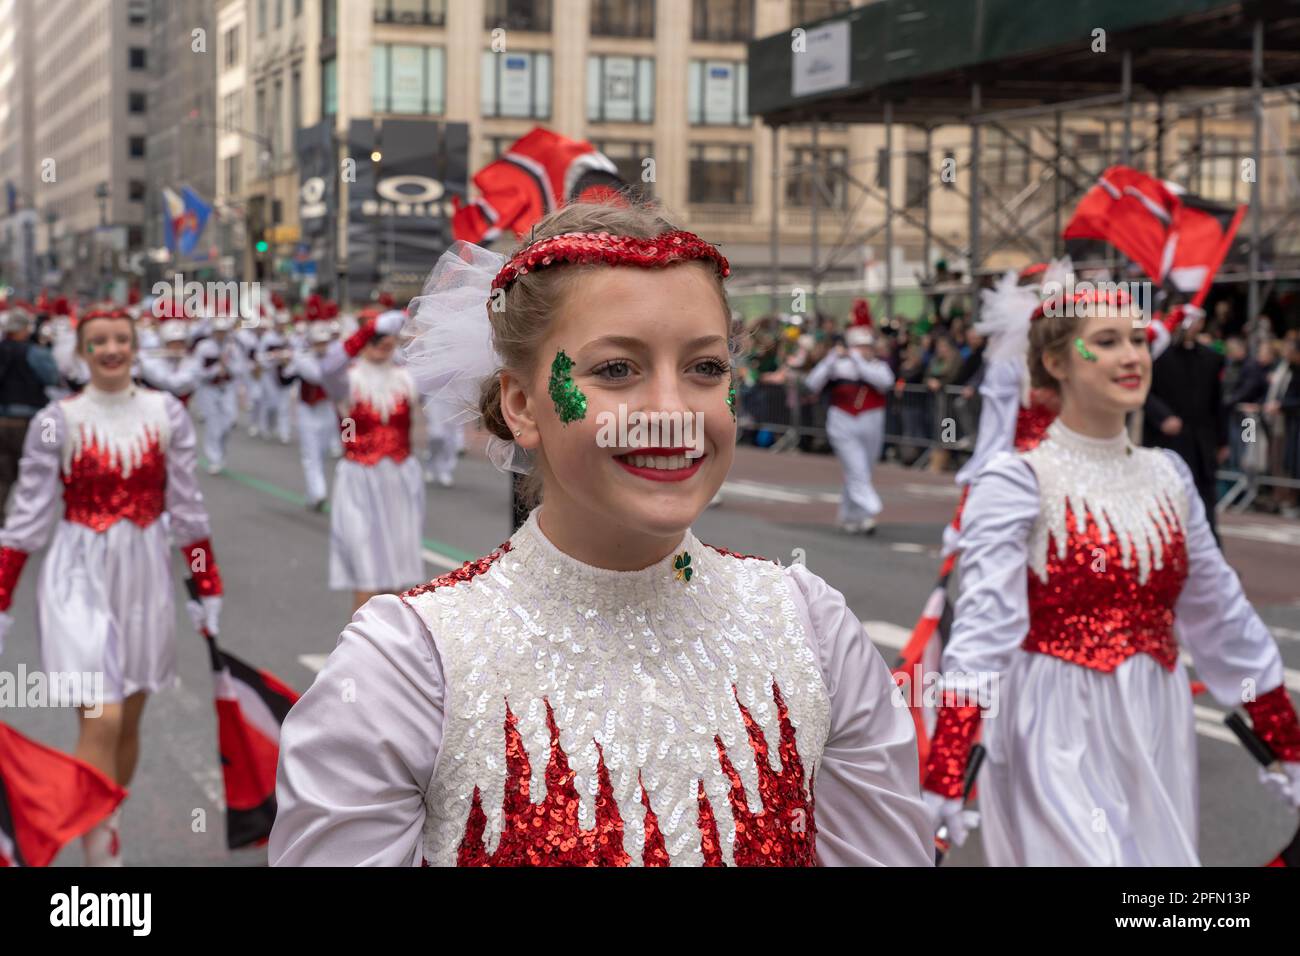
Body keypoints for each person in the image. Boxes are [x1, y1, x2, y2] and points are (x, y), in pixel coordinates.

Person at [269, 202, 933, 868]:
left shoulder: (812, 630)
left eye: (705, 368)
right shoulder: (406, 669)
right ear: (521, 404)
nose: (672, 413)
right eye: (617, 370)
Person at [920, 292, 1300, 865]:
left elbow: (1221, 614)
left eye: (1139, 340)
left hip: (1156, 719)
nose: (1132, 356)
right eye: (1105, 341)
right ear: (1057, 362)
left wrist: (1286, 740)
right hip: (1051, 724)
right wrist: (948, 767)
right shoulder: (1018, 480)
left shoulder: (1168, 475)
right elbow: (982, 634)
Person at [0, 306, 224, 865]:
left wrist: (206, 581)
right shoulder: (56, 419)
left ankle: (108, 819)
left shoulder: (166, 412)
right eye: (97, 341)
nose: (110, 349)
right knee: (103, 716)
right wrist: (2, 598)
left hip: (144, 573)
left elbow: (188, 508)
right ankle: (101, 861)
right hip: (77, 572)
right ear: (80, 351)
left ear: (133, 345)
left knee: (129, 718)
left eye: (120, 339)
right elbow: (26, 518)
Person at [313, 308, 423, 612]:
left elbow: (446, 367)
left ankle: (397, 653)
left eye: (386, 336)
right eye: (374, 336)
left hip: (400, 480)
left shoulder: (406, 378)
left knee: (400, 576)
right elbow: (327, 368)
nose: (381, 342)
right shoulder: (347, 381)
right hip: (359, 481)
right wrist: (369, 329)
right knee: (367, 573)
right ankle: (362, 653)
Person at [804, 306, 894, 534]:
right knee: (856, 467)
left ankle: (849, 516)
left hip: (872, 420)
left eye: (867, 346)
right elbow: (812, 383)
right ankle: (870, 510)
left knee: (864, 468)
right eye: (859, 346)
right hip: (842, 420)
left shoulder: (878, 366)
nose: (864, 350)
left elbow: (885, 383)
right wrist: (831, 359)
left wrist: (860, 362)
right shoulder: (838, 365)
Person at [1143, 310, 1229, 541]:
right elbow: (1145, 392)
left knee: (1204, 501)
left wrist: (1223, 440)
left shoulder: (1211, 359)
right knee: (1168, 498)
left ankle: (1212, 557)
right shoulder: (1160, 357)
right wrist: (1163, 417)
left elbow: (1217, 402)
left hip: (1201, 442)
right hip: (1169, 441)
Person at [0, 304, 59, 514]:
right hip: (29, 420)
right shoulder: (35, 352)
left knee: (3, 475)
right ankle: (27, 518)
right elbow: (52, 378)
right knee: (32, 473)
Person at [193, 314, 246, 474]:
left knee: (228, 422)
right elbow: (198, 372)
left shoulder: (233, 348)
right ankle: (214, 458)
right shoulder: (203, 347)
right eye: (218, 331)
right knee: (212, 424)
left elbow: (240, 369)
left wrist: (228, 366)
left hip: (227, 388)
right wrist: (215, 369)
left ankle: (220, 452)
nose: (221, 334)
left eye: (224, 331)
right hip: (208, 389)